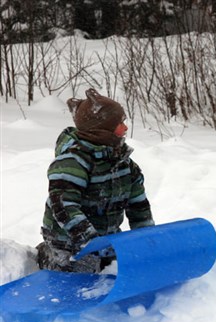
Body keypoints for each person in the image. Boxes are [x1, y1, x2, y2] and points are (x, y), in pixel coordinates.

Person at [36, 88, 154, 273]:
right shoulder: (73, 162)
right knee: (81, 280)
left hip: (107, 242)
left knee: (117, 270)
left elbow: (139, 206)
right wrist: (91, 241)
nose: (125, 128)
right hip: (68, 243)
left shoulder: (125, 165)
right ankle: (48, 255)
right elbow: (64, 206)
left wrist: (148, 240)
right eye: (119, 123)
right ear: (102, 130)